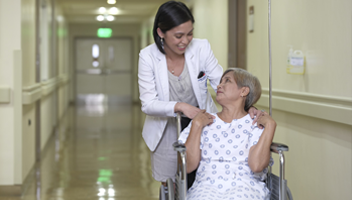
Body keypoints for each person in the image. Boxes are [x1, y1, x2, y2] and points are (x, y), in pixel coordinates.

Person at [138, 1, 263, 187]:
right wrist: (181, 106)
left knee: (200, 180)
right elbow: (148, 103)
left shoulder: (201, 48)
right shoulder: (148, 56)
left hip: (203, 124)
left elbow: (221, 81)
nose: (185, 41)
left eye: (190, 34)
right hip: (165, 128)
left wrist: (247, 104)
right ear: (160, 33)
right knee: (170, 185)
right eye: (178, 36)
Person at [178, 68, 276, 200]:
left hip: (246, 187)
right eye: (220, 82)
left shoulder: (256, 124)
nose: (219, 85)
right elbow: (187, 167)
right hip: (205, 187)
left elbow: (257, 166)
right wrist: (196, 126)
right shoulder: (202, 121)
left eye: (227, 81)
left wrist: (270, 126)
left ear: (244, 91)